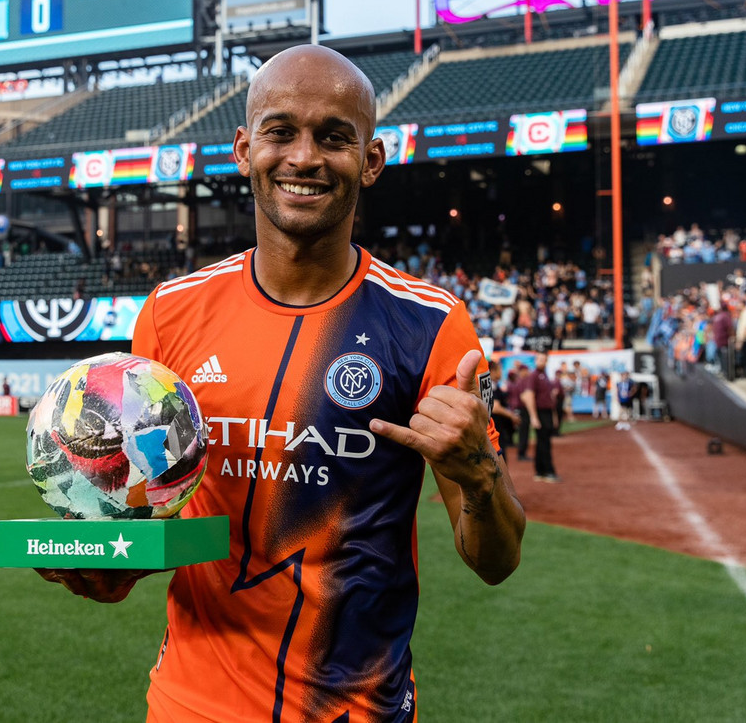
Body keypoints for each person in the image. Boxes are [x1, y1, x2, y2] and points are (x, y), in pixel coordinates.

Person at [35, 45, 525, 721]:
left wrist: (479, 475)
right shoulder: (171, 314)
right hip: (190, 703)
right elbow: (148, 530)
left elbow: (496, 558)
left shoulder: (431, 325)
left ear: (371, 160)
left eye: (333, 137)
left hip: (355, 708)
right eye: (280, 131)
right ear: (243, 149)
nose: (303, 157)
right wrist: (105, 564)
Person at [520, 352, 561, 482]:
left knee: (543, 442)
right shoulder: (534, 376)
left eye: (544, 359)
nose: (541, 362)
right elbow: (529, 396)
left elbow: (550, 398)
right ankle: (548, 471)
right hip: (540, 413)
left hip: (547, 413)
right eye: (540, 359)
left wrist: (553, 416)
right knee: (544, 443)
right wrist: (534, 416)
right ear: (536, 360)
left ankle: (540, 471)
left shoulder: (545, 376)